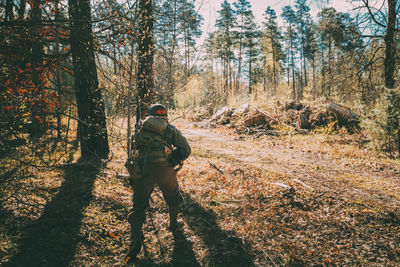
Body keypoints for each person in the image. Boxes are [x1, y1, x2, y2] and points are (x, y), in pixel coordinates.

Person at [125, 104, 191, 264]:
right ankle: (174, 225)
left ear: (149, 115)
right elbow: (186, 149)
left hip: (143, 170)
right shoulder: (170, 129)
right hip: (165, 169)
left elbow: (132, 151)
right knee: (173, 196)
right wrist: (173, 159)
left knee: (138, 205)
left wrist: (133, 176)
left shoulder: (140, 128)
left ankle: (135, 240)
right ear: (165, 116)